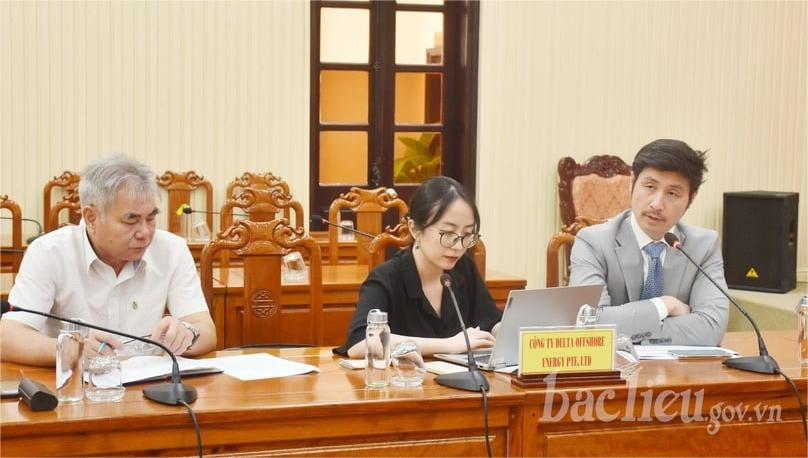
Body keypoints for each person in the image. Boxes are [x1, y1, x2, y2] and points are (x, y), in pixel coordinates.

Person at [1, 153, 216, 366]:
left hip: (149, 389)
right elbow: (8, 338)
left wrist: (187, 334)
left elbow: (206, 331)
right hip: (75, 390)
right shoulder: (49, 252)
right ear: (91, 217)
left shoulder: (172, 250)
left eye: (150, 218)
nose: (145, 233)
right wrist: (73, 350)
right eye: (131, 220)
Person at [569, 139, 729, 346]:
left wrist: (627, 331)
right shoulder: (593, 241)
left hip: (680, 375)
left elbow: (711, 330)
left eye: (672, 193)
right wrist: (664, 306)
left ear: (692, 198)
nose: (657, 204)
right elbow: (589, 326)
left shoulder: (704, 246)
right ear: (632, 183)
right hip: (614, 374)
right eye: (650, 186)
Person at [341, 176, 501, 358]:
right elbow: (360, 343)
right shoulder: (386, 277)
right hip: (406, 382)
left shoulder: (464, 268)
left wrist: (518, 331)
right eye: (448, 233)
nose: (458, 246)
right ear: (415, 229)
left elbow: (492, 322)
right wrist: (449, 345)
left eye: (467, 234)